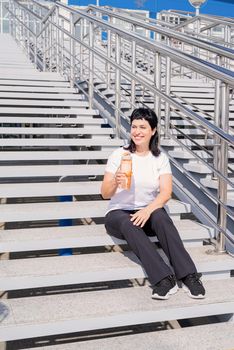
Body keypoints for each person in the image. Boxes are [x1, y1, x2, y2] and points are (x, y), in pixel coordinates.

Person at [101, 108, 206, 300]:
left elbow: (166, 193)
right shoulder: (119, 155)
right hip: (118, 213)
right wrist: (115, 180)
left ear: (153, 130)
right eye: (134, 127)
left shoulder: (160, 158)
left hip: (148, 211)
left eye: (143, 127)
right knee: (129, 223)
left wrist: (147, 210)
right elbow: (105, 194)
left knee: (161, 218)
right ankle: (164, 279)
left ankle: (189, 276)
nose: (137, 131)